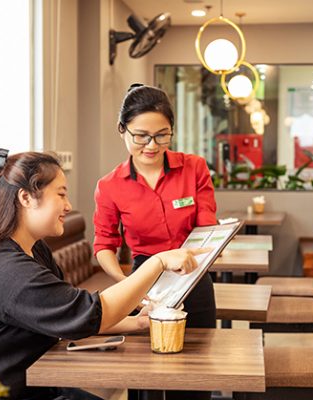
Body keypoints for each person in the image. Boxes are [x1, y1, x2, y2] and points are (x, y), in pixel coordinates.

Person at [0, 150, 208, 400]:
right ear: (26, 197)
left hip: (30, 385)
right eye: (61, 194)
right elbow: (88, 313)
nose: (68, 206)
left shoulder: (33, 250)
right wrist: (158, 262)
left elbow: (70, 317)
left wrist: (137, 323)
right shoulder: (7, 270)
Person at [93, 84, 218, 400]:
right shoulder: (109, 186)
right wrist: (128, 285)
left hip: (194, 274)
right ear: (122, 131)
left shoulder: (194, 168)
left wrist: (199, 253)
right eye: (141, 135)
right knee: (144, 377)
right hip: (142, 277)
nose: (152, 145)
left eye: (162, 135)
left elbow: (207, 226)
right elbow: (104, 245)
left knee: (196, 371)